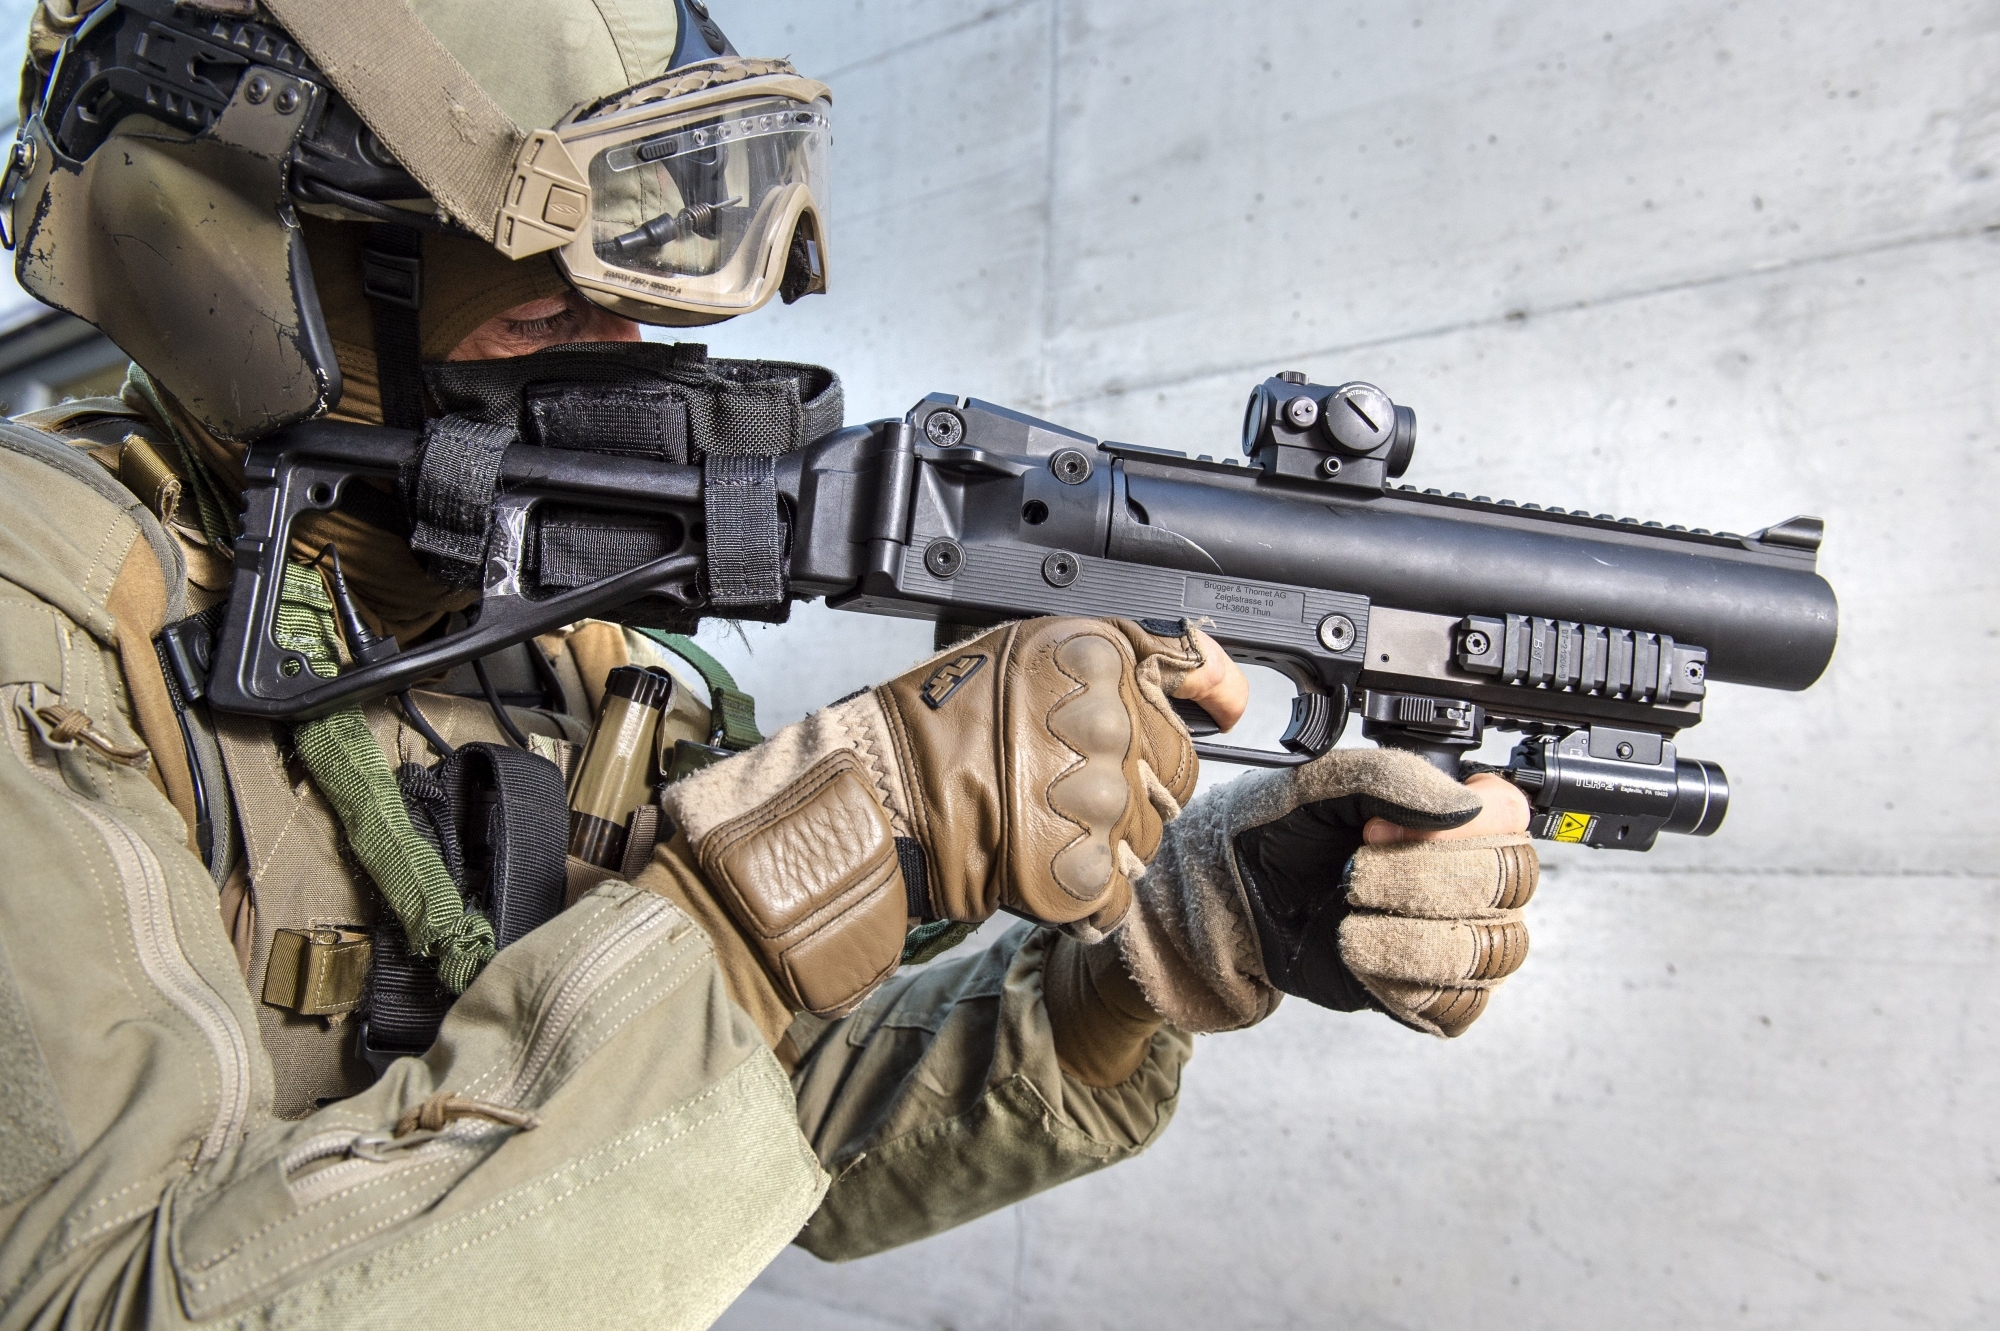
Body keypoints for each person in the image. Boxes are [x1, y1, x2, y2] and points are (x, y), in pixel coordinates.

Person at [0, 1, 1538, 1325]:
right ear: (255, 258)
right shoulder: (48, 608)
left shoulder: (573, 650)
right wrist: (796, 871)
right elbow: (104, 1298)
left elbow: (771, 1140)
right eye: (554, 316)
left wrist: (1178, 942)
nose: (631, 366)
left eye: (645, 315)